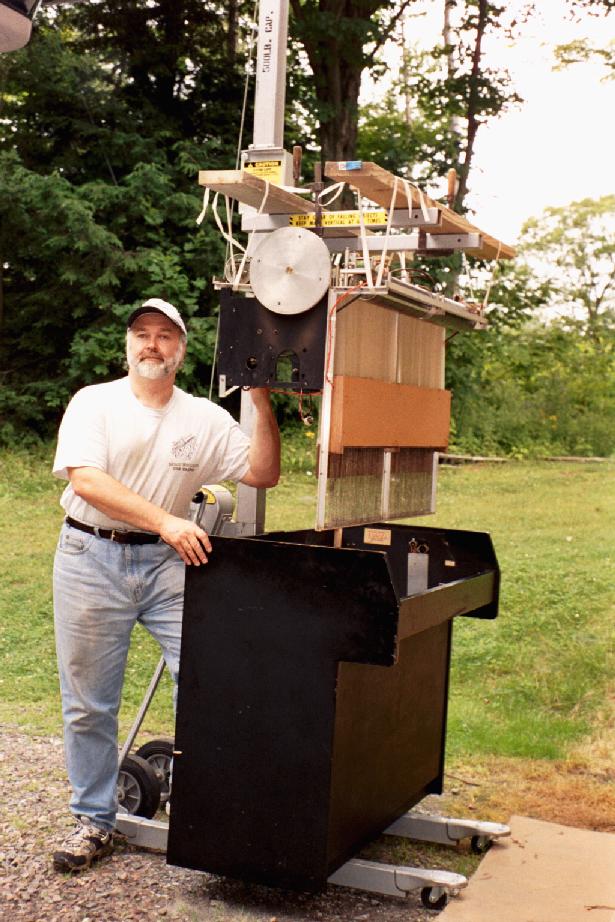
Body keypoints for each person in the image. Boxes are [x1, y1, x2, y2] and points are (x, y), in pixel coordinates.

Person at [51, 297, 280, 872]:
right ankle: (93, 821)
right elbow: (88, 480)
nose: (152, 344)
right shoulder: (94, 402)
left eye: (165, 336)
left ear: (183, 348)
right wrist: (167, 520)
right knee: (88, 705)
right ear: (128, 345)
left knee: (208, 682)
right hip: (89, 555)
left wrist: (258, 395)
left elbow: (262, 472)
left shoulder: (202, 416)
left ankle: (210, 810)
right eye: (142, 334)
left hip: (164, 564)